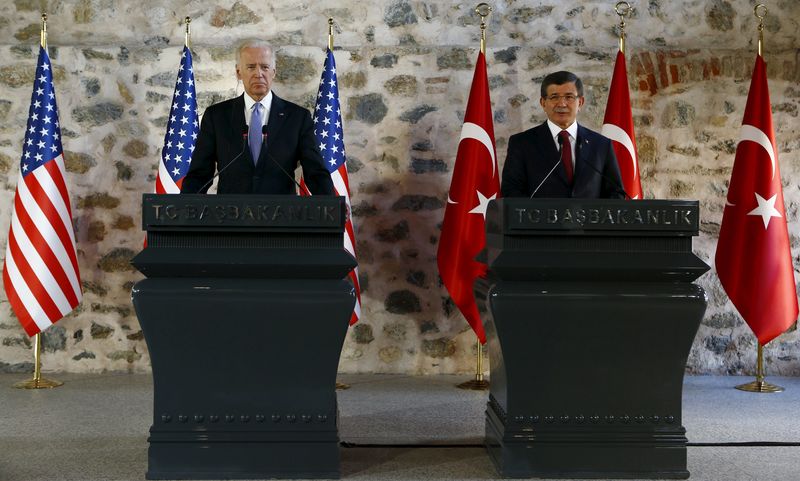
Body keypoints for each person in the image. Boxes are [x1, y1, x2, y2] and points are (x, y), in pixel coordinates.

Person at [182, 40, 334, 195]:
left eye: (265, 67)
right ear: (238, 72)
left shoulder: (297, 118)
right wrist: (184, 207)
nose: (258, 73)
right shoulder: (216, 116)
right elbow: (199, 174)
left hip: (282, 213)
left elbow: (316, 173)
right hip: (229, 215)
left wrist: (332, 206)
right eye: (251, 67)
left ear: (273, 71)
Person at [500, 71, 625, 198]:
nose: (562, 104)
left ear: (580, 102)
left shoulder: (601, 144)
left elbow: (616, 193)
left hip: (590, 218)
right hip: (540, 217)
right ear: (543, 103)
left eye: (569, 97)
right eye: (554, 97)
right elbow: (511, 192)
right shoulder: (522, 144)